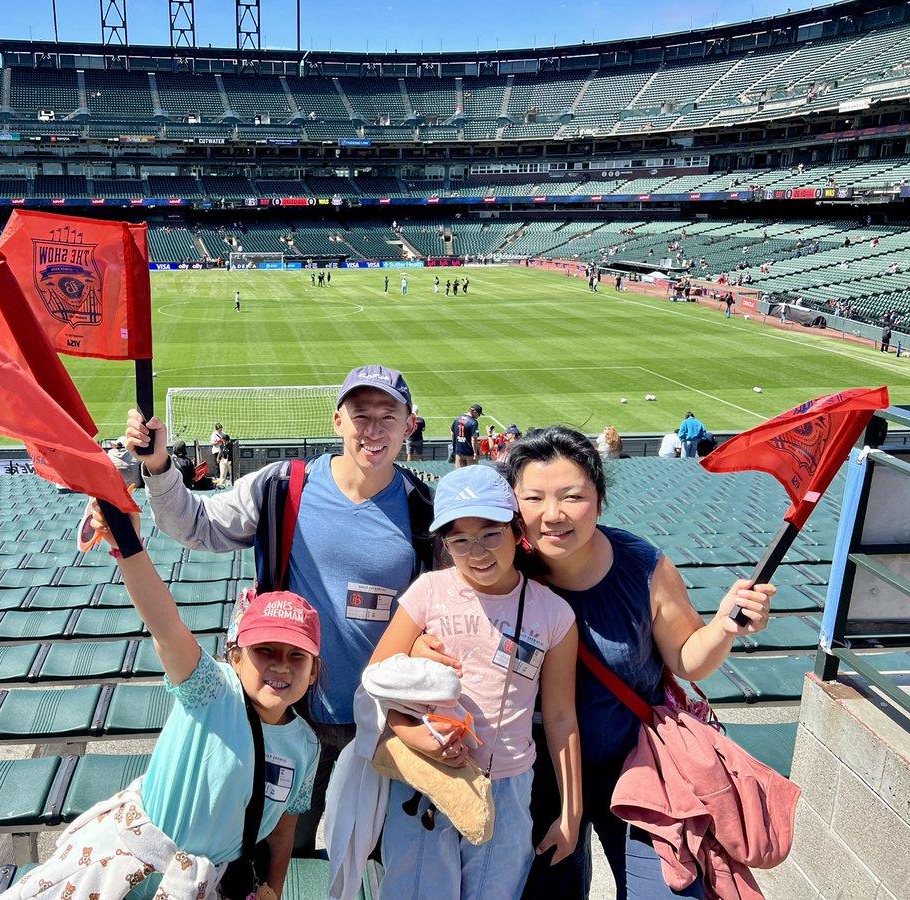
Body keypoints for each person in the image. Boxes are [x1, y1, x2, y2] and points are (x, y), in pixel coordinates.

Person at [114, 365, 435, 855]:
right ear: (337, 421)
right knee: (281, 844)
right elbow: (197, 524)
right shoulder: (286, 484)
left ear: (409, 425)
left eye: (387, 416)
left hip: (381, 719)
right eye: (360, 415)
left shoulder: (423, 509)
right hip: (288, 714)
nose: (373, 429)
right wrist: (158, 468)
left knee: (377, 853)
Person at [494, 427, 774, 900]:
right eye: (534, 498)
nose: (553, 514)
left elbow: (687, 659)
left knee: (668, 891)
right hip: (535, 778)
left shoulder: (642, 566)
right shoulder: (499, 569)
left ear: (599, 500)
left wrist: (725, 626)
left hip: (636, 767)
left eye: (572, 496)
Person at [1, 504, 321, 900]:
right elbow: (165, 626)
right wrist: (129, 548)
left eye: (296, 656)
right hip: (126, 866)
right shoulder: (212, 689)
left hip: (202, 883)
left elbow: (283, 829)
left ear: (313, 672)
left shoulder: (306, 745)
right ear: (235, 657)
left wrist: (274, 886)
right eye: (265, 650)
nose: (281, 666)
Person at [370, 466, 581, 900]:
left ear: (516, 530)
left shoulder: (554, 614)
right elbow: (378, 678)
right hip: (425, 779)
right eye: (459, 539)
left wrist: (571, 813)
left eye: (490, 533)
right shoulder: (427, 592)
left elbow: (561, 715)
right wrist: (415, 735)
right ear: (444, 543)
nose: (477, 552)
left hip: (507, 784)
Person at [451, 404, 482, 468]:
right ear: (474, 412)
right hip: (469, 453)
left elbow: (452, 433)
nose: (479, 416)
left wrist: (455, 444)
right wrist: (475, 453)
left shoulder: (457, 418)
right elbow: (474, 439)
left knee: (459, 474)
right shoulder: (473, 422)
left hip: (459, 451)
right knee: (472, 474)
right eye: (479, 414)